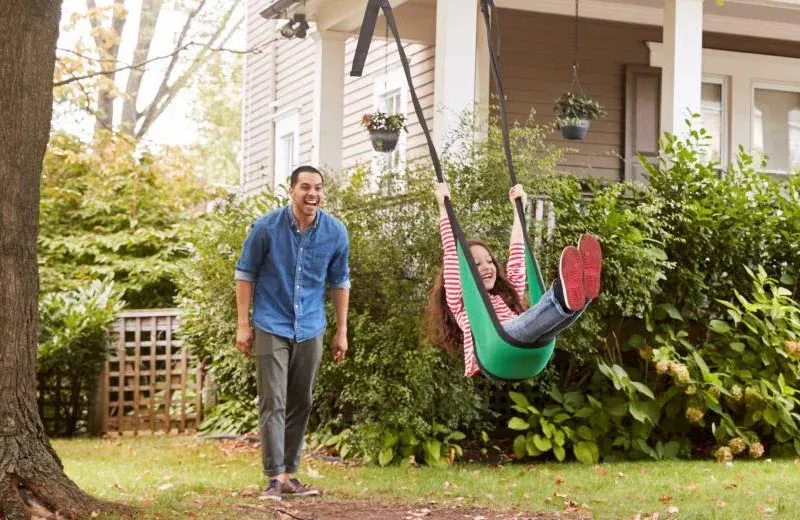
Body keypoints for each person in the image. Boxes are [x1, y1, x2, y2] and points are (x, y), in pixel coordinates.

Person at [234, 165, 350, 501]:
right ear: (291, 191)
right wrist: (243, 324)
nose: (312, 194)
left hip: (311, 325)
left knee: (301, 400)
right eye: (304, 187)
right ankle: (275, 477)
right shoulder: (266, 227)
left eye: (317, 188)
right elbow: (245, 273)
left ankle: (290, 473)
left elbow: (339, 282)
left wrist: (341, 331)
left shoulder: (335, 232)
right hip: (271, 322)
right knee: (274, 400)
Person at [426, 182, 602, 377]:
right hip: (496, 351)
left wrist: (519, 211)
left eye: (489, 261)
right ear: (464, 274)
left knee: (548, 324)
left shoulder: (507, 296)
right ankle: (562, 293)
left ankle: (584, 292)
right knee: (523, 322)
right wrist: (443, 208)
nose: (486, 267)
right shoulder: (460, 300)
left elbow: (517, 257)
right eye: (476, 264)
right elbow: (451, 252)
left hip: (530, 349)